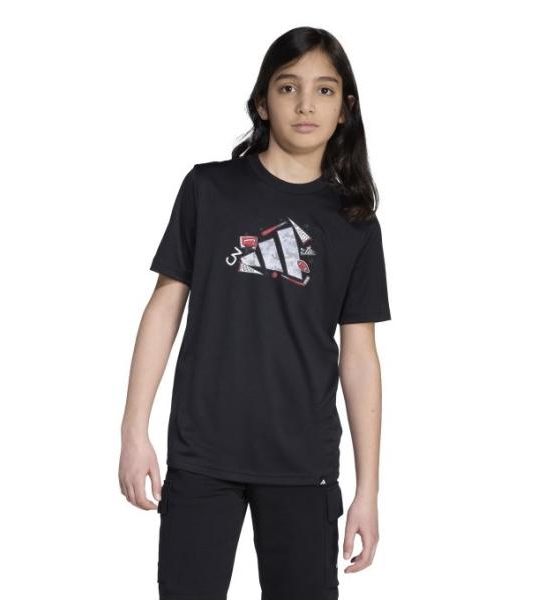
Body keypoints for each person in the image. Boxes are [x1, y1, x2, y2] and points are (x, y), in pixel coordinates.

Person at [119, 26, 391, 600]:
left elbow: (360, 358)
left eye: (323, 90)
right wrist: (133, 431)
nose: (305, 104)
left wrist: (367, 490)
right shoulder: (209, 189)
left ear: (344, 108)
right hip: (202, 454)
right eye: (289, 87)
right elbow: (164, 308)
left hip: (302, 462)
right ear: (263, 102)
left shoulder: (355, 223)